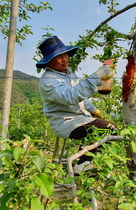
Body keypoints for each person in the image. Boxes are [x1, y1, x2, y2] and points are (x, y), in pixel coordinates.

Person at [36, 35, 117, 174]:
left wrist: (94, 110)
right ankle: (83, 164)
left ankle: (87, 162)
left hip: (81, 118)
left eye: (65, 55)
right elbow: (71, 96)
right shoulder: (48, 81)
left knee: (108, 129)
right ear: (48, 61)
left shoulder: (68, 74)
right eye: (58, 56)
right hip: (66, 122)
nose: (64, 59)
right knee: (108, 128)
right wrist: (96, 76)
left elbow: (80, 97)